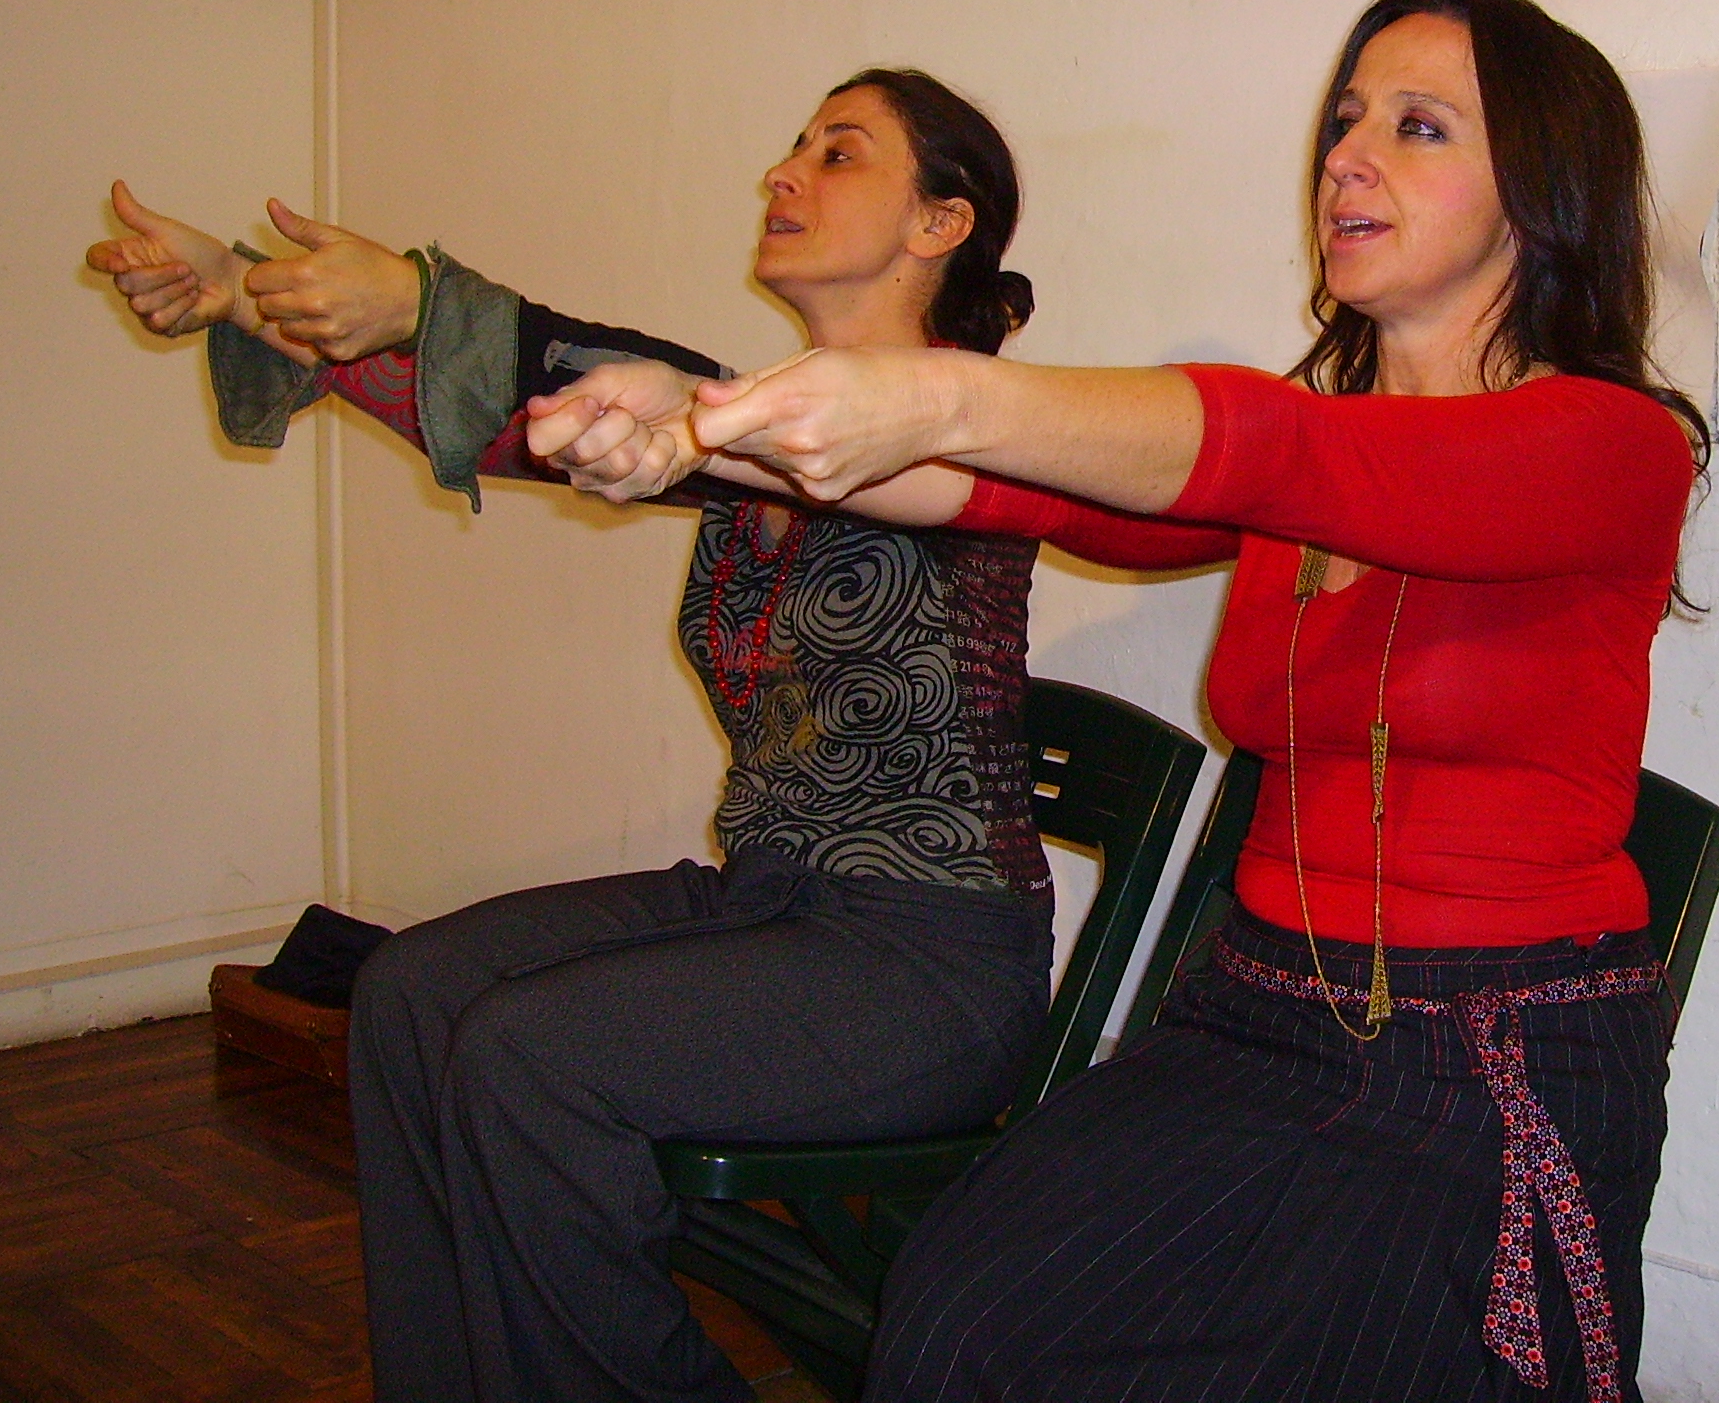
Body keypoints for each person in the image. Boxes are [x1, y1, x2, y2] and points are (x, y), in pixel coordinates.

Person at [532, 0, 1707, 1402]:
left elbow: (1270, 449)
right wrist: (698, 431)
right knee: (961, 1327)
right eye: (1346, 120)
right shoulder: (1309, 458)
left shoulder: (1611, 445)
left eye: (1418, 128)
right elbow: (1007, 491)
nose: (1347, 157)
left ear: (1543, 191)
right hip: (1258, 1017)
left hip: (1488, 1066)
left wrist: (940, 391)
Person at [85, 70, 1102, 1403]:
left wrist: (427, 297)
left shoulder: (974, 429)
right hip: (769, 906)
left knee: (532, 1060)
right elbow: (521, 421)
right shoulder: (748, 422)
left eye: (839, 153)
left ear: (939, 223)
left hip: (926, 965)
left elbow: (671, 395)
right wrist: (245, 297)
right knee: (410, 993)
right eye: (795, 144)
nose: (784, 172)